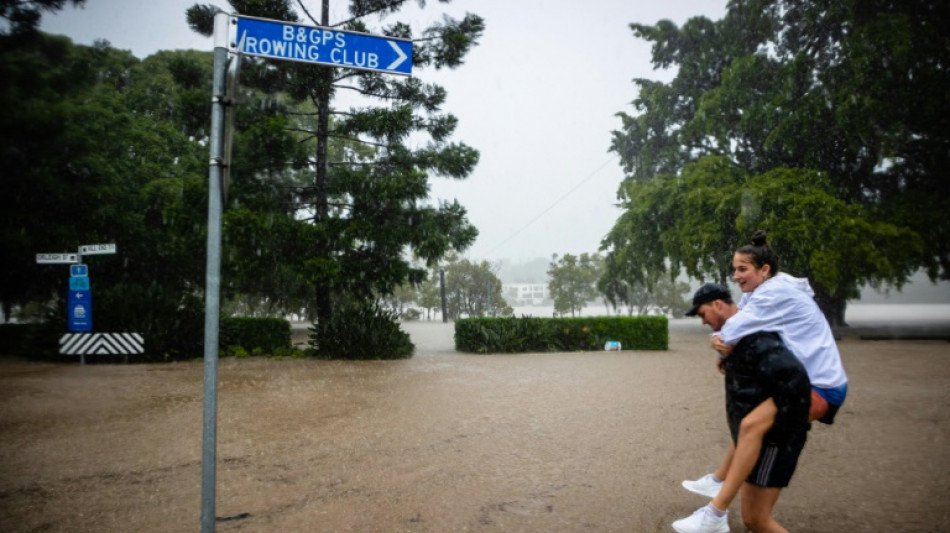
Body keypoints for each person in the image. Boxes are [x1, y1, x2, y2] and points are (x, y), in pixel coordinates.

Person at [682, 231, 849, 505]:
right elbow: (735, 323)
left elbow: (734, 328)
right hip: (805, 382)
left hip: (821, 388)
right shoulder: (763, 289)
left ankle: (718, 505)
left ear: (765, 269)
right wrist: (718, 340)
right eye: (734, 269)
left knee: (751, 427)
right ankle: (719, 483)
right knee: (750, 422)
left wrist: (719, 342)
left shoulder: (774, 292)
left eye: (742, 269)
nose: (736, 276)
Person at [672, 283, 811, 533]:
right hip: (759, 442)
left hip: (772, 442)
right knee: (753, 520)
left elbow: (796, 377)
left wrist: (765, 427)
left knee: (757, 520)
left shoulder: (756, 338)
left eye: (703, 314)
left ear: (718, 304)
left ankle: (715, 509)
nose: (703, 322)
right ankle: (716, 497)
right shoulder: (737, 337)